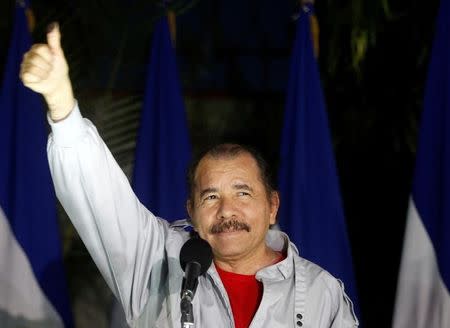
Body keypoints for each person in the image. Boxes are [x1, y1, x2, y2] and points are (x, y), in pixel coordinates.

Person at [20, 23, 359, 328]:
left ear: (273, 206)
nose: (227, 211)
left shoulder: (320, 293)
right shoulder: (158, 264)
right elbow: (101, 199)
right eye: (211, 196)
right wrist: (62, 104)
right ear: (192, 212)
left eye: (243, 193)